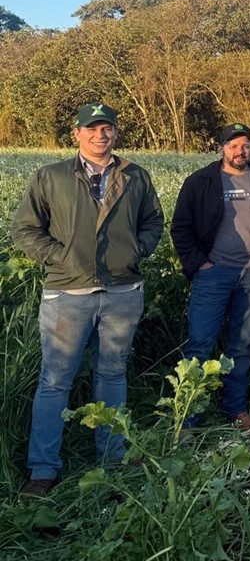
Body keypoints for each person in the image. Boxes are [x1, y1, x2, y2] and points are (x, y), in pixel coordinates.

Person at [12, 102, 164, 496]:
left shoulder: (136, 177)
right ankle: (43, 470)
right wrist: (61, 257)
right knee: (55, 381)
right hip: (67, 294)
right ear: (77, 134)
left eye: (107, 128)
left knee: (112, 375)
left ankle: (111, 460)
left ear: (115, 133)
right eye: (92, 128)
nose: (101, 134)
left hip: (122, 291)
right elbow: (26, 230)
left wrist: (135, 251)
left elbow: (154, 222)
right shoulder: (52, 176)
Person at [171, 123, 250, 429]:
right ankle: (188, 418)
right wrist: (199, 264)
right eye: (233, 145)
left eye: (246, 145)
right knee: (200, 344)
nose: (240, 151)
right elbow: (181, 227)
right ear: (221, 148)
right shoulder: (201, 181)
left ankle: (236, 410)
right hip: (213, 274)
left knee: (242, 345)